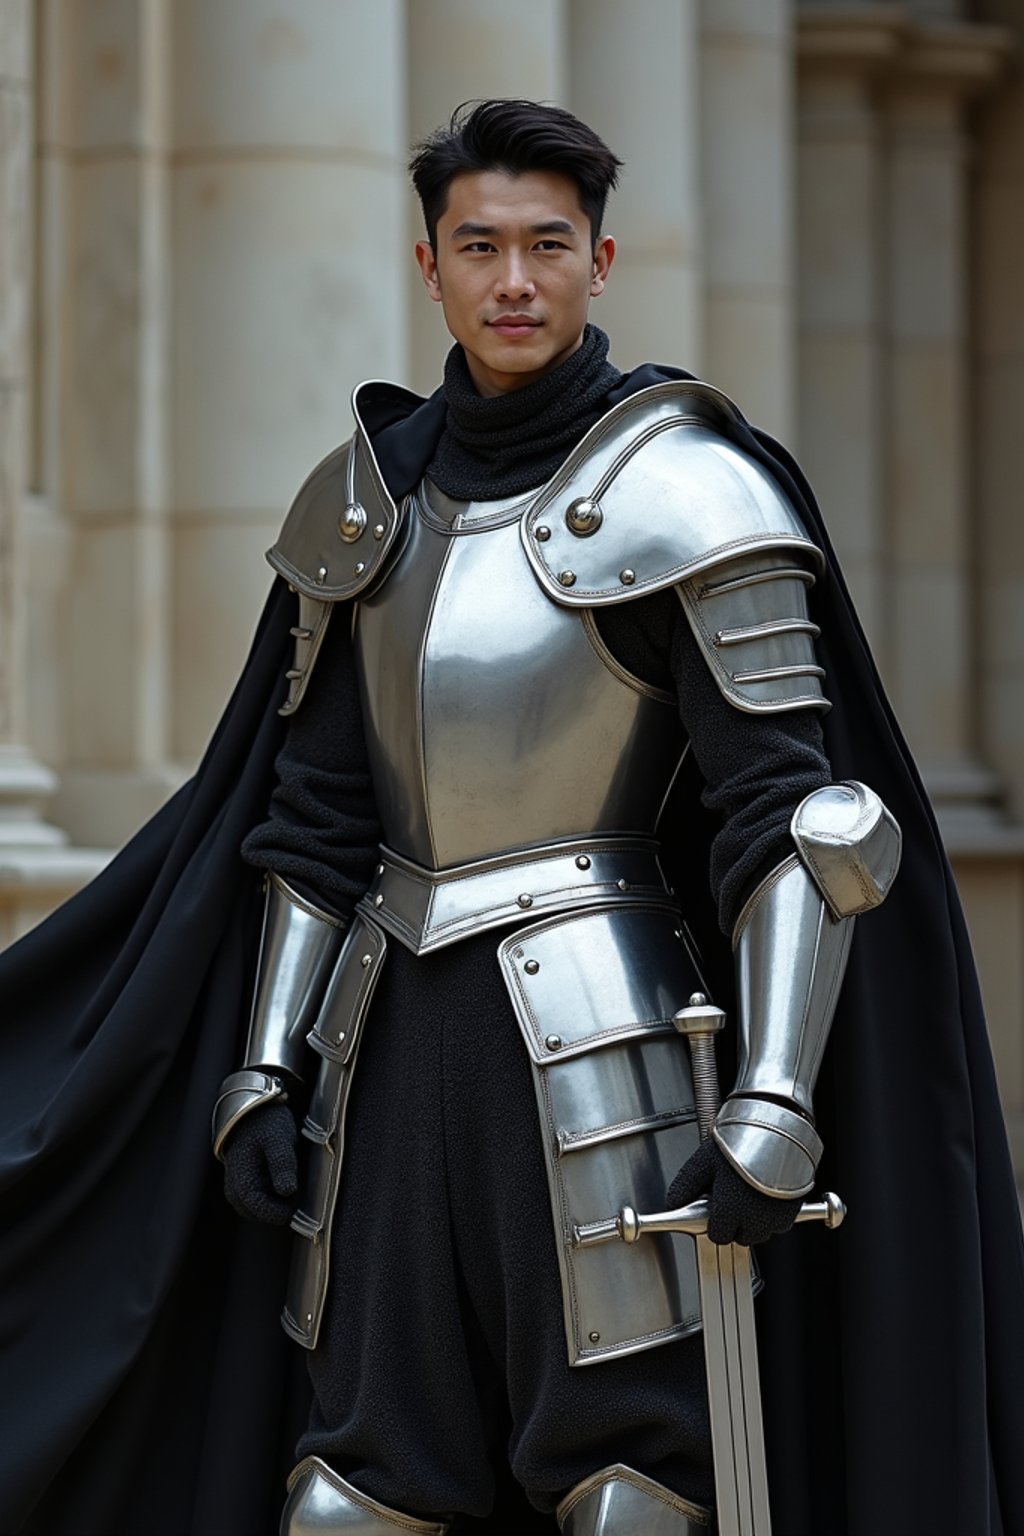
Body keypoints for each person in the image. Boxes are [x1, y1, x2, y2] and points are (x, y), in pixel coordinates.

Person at [1, 99, 1022, 1536]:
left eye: (547, 244)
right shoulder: (366, 506)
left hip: (611, 1043)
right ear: (431, 266)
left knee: (628, 1494)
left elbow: (795, 820)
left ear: (602, 261)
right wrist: (262, 1069)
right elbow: (312, 815)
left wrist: (778, 1096)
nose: (515, 280)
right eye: (479, 246)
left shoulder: (689, 492)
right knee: (354, 1498)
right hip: (387, 1046)